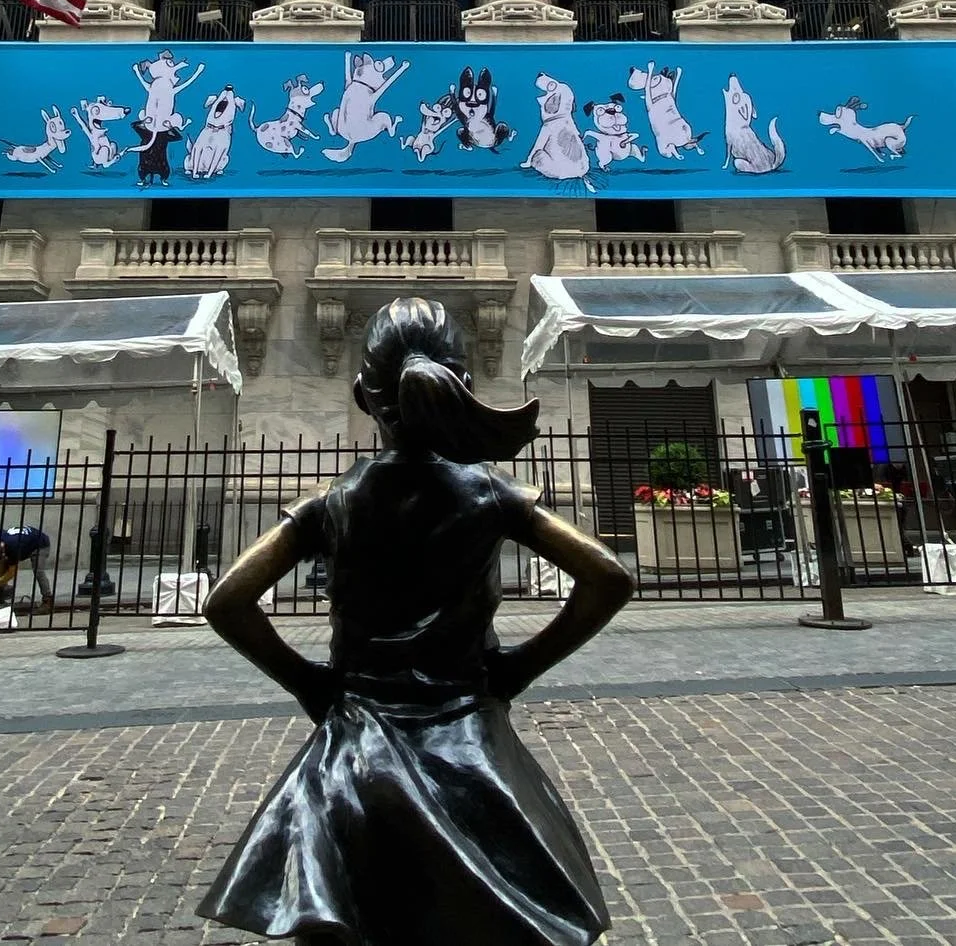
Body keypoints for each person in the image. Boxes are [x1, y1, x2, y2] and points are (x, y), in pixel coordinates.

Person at [198, 297, 632, 946]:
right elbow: (610, 577)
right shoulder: (489, 492)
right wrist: (516, 670)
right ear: (461, 387)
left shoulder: (333, 502)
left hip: (356, 743)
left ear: (362, 397)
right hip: (467, 737)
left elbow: (227, 602)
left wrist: (309, 685)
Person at [0, 524, 54, 612]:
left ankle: (47, 600)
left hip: (40, 544)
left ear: (3, 543)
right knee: (1, 561)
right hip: (25, 542)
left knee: (38, 571)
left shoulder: (13, 546)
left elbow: (12, 573)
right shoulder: (3, 542)